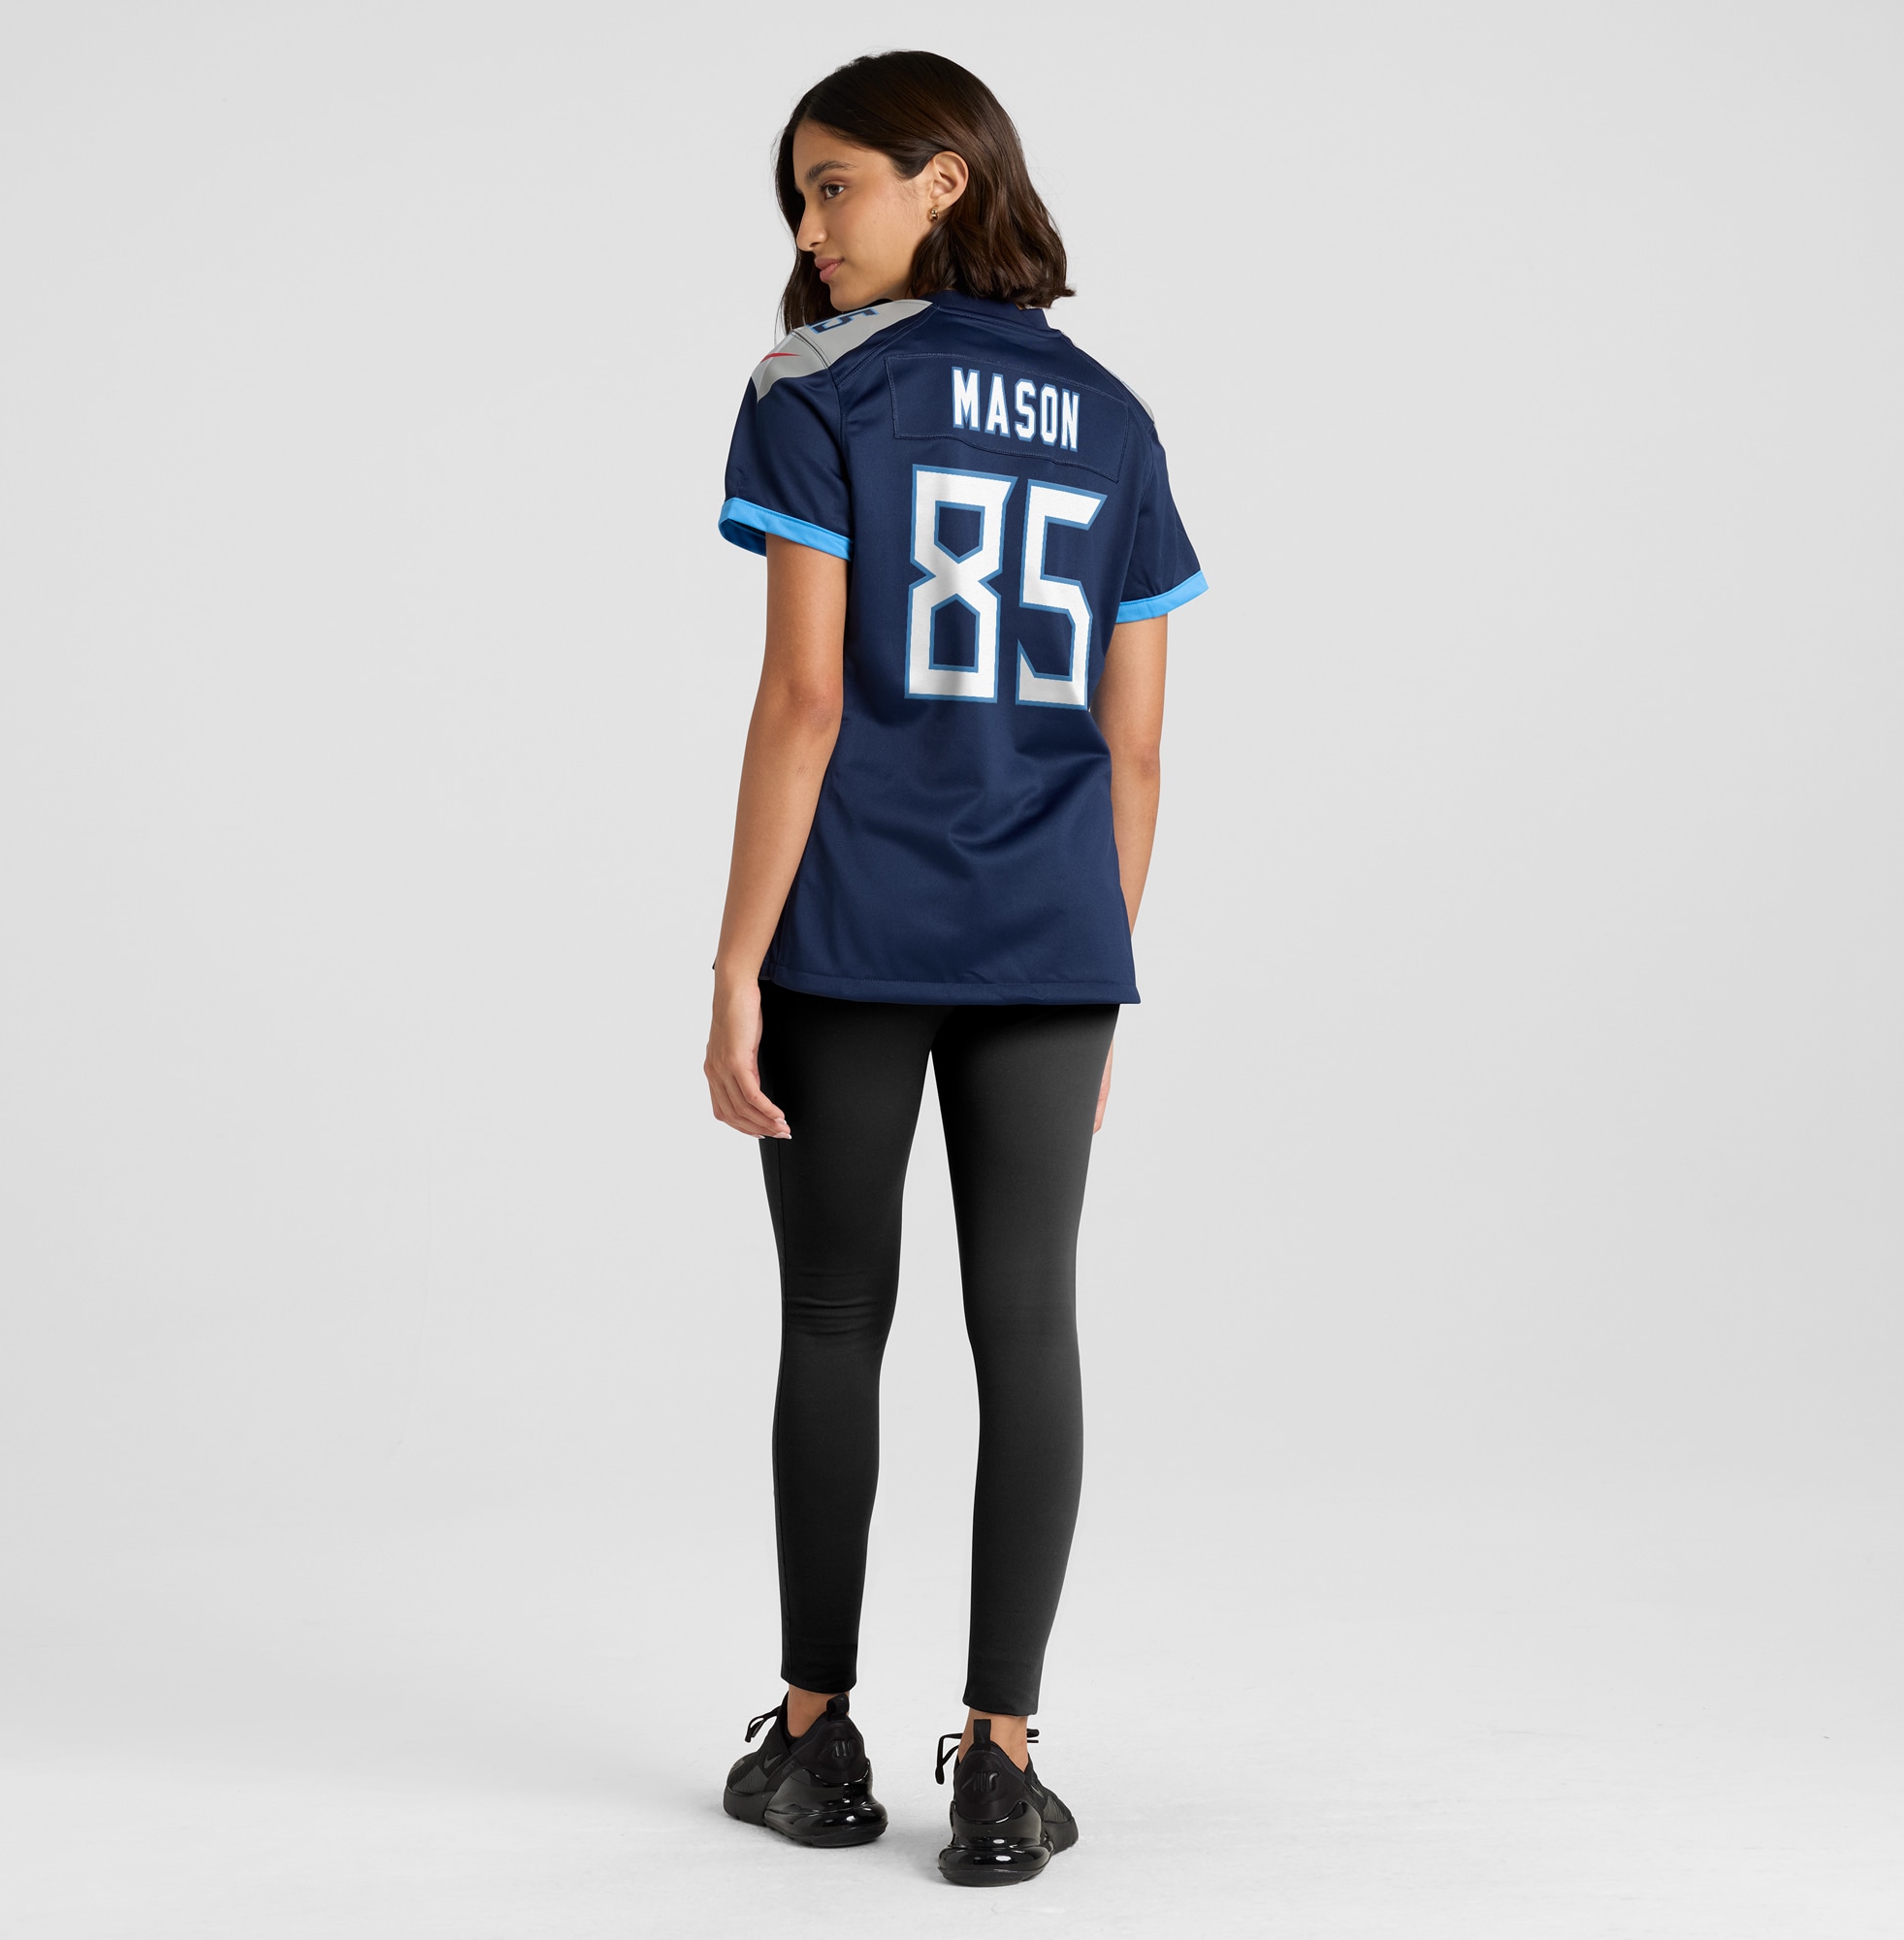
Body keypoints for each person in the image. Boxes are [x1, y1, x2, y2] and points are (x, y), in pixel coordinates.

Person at [704, 49, 1205, 1888]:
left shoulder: (815, 390)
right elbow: (1135, 752)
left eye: (835, 184)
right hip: (1055, 941)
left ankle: (813, 1741)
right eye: (799, 198)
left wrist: (736, 965)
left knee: (836, 1318)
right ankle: (1002, 1766)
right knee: (1030, 1326)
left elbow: (805, 698)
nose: (809, 229)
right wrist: (1095, 956)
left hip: (852, 930)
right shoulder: (1117, 417)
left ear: (945, 178)